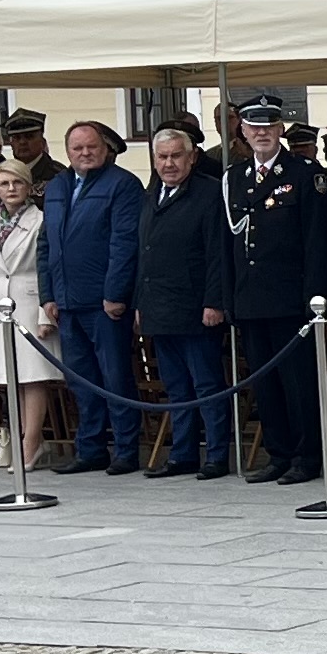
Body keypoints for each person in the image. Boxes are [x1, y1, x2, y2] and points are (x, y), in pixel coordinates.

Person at [221, 94, 327, 484]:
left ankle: (307, 456)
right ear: (243, 131)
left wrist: (315, 297)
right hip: (251, 297)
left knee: (298, 383)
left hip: (291, 298)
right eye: (254, 127)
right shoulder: (235, 177)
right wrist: (230, 297)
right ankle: (278, 453)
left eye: (269, 126)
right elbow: (228, 245)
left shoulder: (303, 173)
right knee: (265, 383)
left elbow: (317, 242)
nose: (262, 133)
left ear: (280, 129)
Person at [40, 121, 143, 476]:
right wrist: (48, 294)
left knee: (115, 378)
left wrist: (115, 294)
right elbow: (46, 243)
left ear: (105, 149)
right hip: (67, 303)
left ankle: (127, 450)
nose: (85, 153)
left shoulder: (122, 184)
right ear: (67, 151)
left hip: (104, 304)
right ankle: (91, 449)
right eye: (77, 148)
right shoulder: (57, 185)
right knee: (81, 382)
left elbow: (124, 243)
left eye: (91, 147)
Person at [134, 122, 236, 477]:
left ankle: (217, 455)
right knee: (176, 387)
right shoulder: (152, 195)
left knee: (207, 384)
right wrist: (140, 302)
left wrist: (215, 302)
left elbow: (217, 253)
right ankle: (183, 454)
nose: (169, 163)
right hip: (159, 306)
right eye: (162, 157)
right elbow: (144, 253)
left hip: (196, 307)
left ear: (192, 158)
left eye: (176, 156)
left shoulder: (209, 193)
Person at [0, 157, 64, 472]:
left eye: (17, 182)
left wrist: (45, 315)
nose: (11, 188)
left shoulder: (41, 219)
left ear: (29, 187)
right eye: (4, 183)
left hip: (29, 303)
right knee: (10, 378)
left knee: (33, 377)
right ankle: (28, 440)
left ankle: (30, 443)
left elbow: (47, 267)